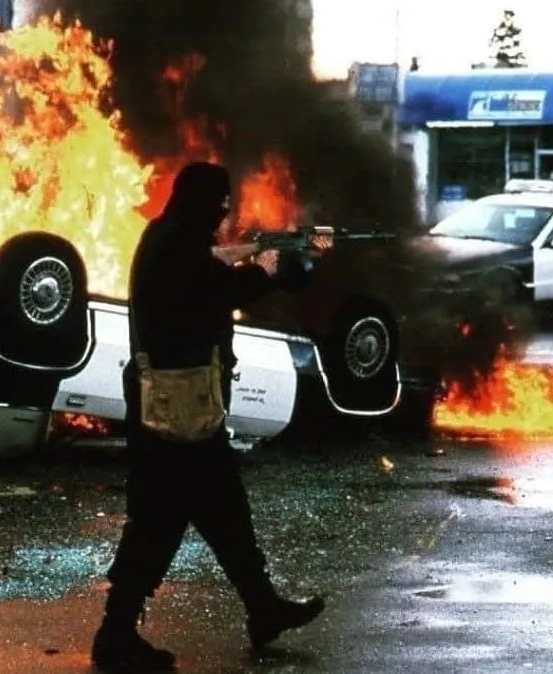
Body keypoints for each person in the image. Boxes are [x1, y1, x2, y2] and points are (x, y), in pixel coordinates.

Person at [91, 161, 325, 672]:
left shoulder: (170, 236)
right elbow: (219, 290)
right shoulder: (176, 245)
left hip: (187, 406)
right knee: (158, 521)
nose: (223, 214)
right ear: (200, 202)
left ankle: (262, 607)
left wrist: (259, 253)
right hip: (172, 410)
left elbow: (210, 268)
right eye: (218, 204)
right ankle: (115, 634)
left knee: (226, 512)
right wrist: (266, 269)